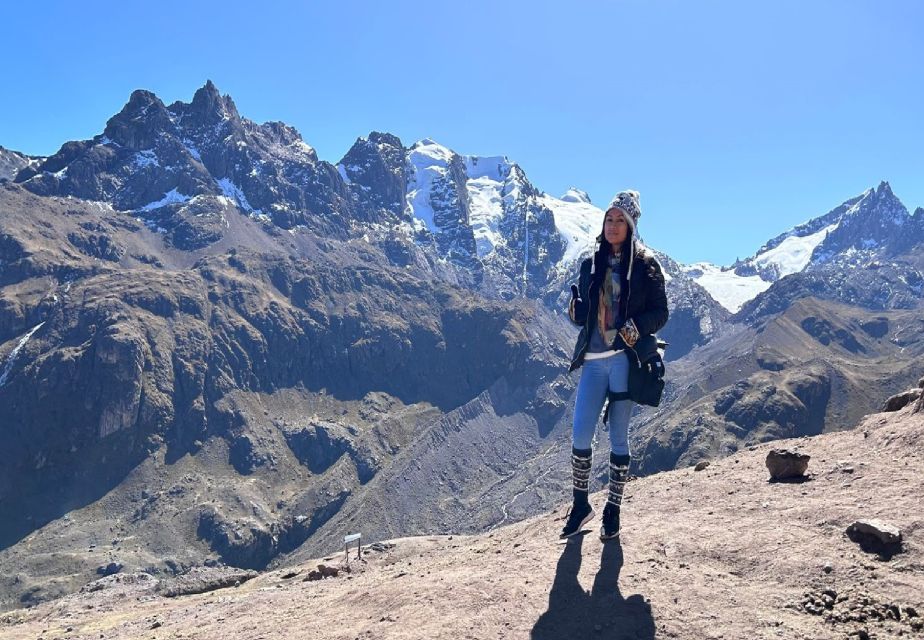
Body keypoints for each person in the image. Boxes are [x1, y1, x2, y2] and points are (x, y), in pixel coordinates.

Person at [561, 190, 669, 541]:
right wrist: (577, 313)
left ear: (632, 225)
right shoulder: (591, 262)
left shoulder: (647, 265)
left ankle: (613, 509)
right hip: (593, 361)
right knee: (580, 434)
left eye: (620, 219)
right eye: (609, 218)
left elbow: (660, 312)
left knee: (618, 436)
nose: (613, 225)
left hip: (624, 359)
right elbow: (585, 315)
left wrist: (638, 326)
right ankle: (581, 505)